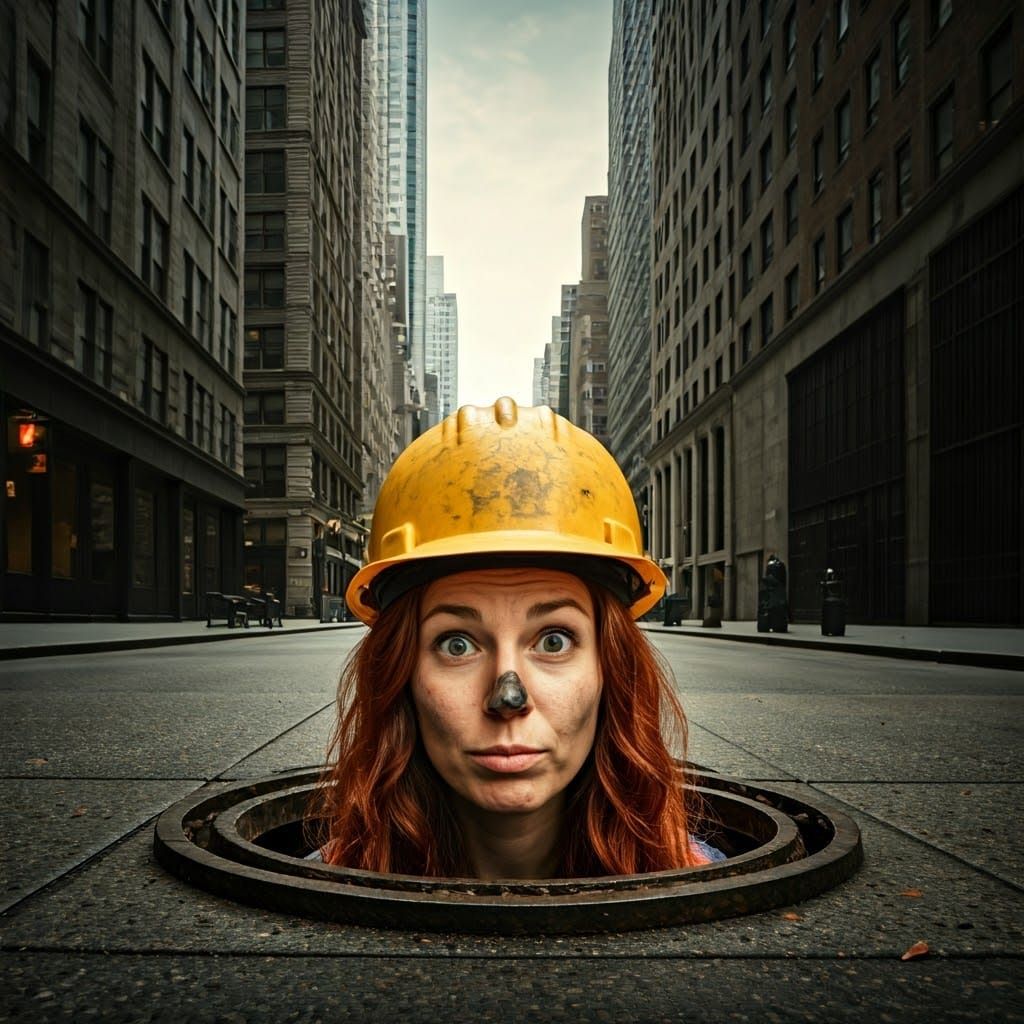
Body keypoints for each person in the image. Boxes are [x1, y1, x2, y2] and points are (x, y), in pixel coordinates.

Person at [311, 398, 721, 879]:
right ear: (400, 677)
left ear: (613, 669)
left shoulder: (696, 872)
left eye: (554, 641)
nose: (508, 697)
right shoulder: (324, 878)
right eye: (456, 644)